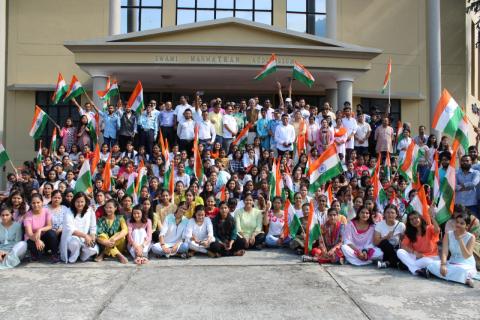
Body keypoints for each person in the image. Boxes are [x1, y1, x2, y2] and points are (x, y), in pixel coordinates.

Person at [427, 212, 477, 287]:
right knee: (432, 265)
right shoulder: (448, 234)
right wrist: (443, 265)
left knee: (463, 270)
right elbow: (444, 252)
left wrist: (460, 239)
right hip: (452, 262)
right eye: (457, 222)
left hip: (465, 264)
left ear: (467, 226)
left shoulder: (471, 237)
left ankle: (464, 277)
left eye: (462, 223)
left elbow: (466, 256)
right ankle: (463, 279)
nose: (458, 225)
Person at [396, 210, 440, 276]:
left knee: (428, 262)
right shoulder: (410, 233)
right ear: (409, 222)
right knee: (400, 251)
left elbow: (437, 230)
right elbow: (403, 246)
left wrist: (432, 217)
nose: (414, 220)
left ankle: (411, 268)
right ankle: (416, 270)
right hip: (418, 257)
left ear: (420, 218)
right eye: (411, 219)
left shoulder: (429, 228)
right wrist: (414, 252)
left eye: (416, 218)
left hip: (431, 258)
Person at [59, 192, 98, 263]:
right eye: (77, 202)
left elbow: (93, 226)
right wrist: (86, 236)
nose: (80, 204)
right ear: (74, 202)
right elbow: (71, 230)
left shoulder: (90, 210)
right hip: (71, 237)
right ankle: (73, 256)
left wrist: (92, 237)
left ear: (85, 202)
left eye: (82, 202)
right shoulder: (69, 211)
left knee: (93, 249)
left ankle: (82, 255)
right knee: (75, 243)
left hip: (85, 238)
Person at [24, 194, 59, 262]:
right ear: (30, 204)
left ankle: (54, 254)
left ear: (42, 202)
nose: (36, 205)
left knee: (52, 233)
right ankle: (34, 253)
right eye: (33, 203)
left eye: (38, 202)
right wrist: (37, 240)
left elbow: (50, 226)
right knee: (37, 257)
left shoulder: (46, 211)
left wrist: (40, 230)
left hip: (43, 235)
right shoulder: (27, 215)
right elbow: (29, 234)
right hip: (32, 238)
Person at [95, 199, 129, 264]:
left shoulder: (120, 218)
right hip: (104, 244)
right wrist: (105, 242)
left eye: (110, 207)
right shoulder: (101, 220)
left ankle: (104, 253)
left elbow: (125, 230)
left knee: (120, 234)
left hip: (118, 244)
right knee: (102, 235)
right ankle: (118, 254)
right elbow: (97, 235)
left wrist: (113, 239)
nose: (108, 209)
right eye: (106, 208)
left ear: (115, 208)